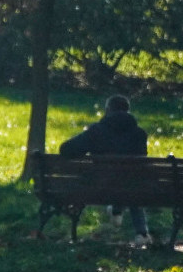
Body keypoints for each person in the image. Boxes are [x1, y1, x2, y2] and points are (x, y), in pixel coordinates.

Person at [58, 94, 152, 246]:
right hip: (131, 188)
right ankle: (141, 233)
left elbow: (66, 149)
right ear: (128, 111)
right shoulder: (139, 134)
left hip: (99, 187)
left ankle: (115, 210)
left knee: (119, 180)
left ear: (108, 110)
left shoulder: (97, 131)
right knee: (130, 183)